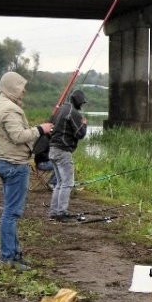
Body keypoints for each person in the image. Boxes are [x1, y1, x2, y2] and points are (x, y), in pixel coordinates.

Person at [0, 71, 53, 271]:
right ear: (12, 87)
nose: (24, 90)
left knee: (11, 211)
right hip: (14, 165)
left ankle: (15, 254)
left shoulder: (1, 102)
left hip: (6, 162)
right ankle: (8, 258)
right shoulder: (9, 109)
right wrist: (41, 129)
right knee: (11, 213)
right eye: (20, 87)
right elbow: (18, 136)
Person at [48, 89, 88, 221]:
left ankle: (54, 212)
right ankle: (61, 213)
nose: (81, 105)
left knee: (59, 182)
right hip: (63, 151)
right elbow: (80, 134)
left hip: (52, 149)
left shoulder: (61, 109)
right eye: (81, 103)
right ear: (78, 101)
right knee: (67, 183)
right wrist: (84, 125)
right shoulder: (74, 113)